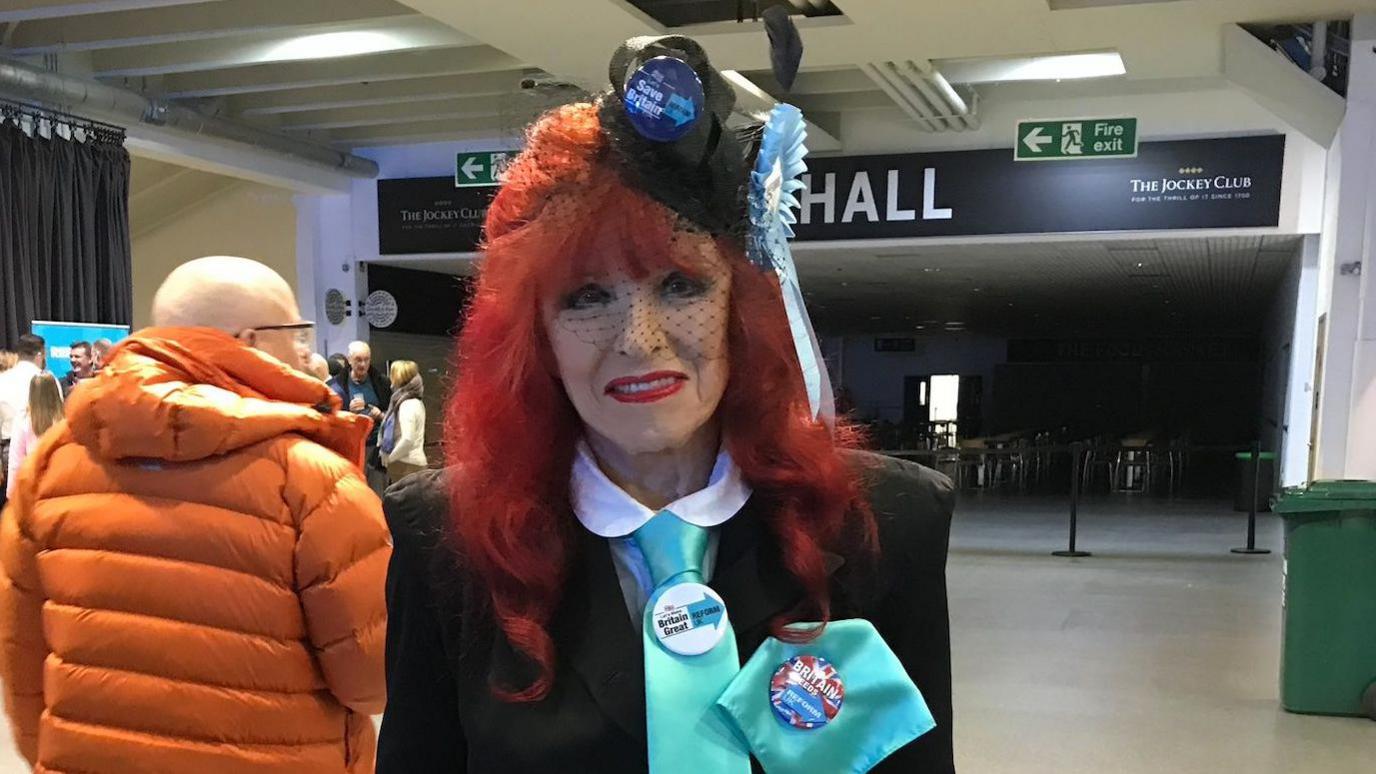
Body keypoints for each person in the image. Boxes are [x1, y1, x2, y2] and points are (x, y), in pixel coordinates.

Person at [378, 37, 954, 774]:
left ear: (739, 310)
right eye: (587, 297)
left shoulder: (882, 519)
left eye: (681, 286)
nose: (639, 340)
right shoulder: (449, 538)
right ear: (535, 333)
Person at [0, 255, 390, 773]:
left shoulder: (49, 466)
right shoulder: (312, 480)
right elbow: (371, 680)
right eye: (295, 332)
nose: (303, 351)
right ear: (247, 341)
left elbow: (23, 665)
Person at [329, 340, 391, 494]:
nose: (363, 364)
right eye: (358, 360)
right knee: (353, 492)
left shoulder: (382, 383)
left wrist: (380, 415)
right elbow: (330, 421)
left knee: (377, 494)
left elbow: (392, 416)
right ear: (349, 360)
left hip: (376, 447)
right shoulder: (335, 387)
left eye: (366, 359)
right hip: (350, 446)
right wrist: (348, 412)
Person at [0, 334, 55, 503]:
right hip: (44, 451)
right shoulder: (48, 380)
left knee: (14, 506)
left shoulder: (3, 379)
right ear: (40, 355)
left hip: (8, 450)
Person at [5, 373, 61, 497]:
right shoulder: (65, 420)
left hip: (33, 489)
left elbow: (16, 461)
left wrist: (11, 495)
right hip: (59, 486)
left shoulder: (22, 420)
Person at [379, 359, 426, 483]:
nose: (391, 383)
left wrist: (390, 458)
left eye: (393, 377)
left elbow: (408, 439)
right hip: (411, 463)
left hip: (406, 465)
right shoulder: (416, 402)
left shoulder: (407, 404)